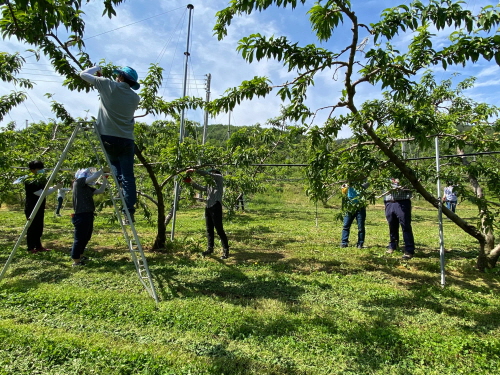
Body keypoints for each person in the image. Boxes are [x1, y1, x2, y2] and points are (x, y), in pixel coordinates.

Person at [80, 65, 140, 221]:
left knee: (116, 168)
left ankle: (125, 200)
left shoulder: (108, 85)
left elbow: (83, 74)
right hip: (127, 139)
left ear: (119, 77)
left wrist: (97, 68)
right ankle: (129, 210)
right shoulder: (135, 98)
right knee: (127, 176)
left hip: (108, 138)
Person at [184, 168, 230, 259]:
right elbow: (201, 188)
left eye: (211, 173)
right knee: (209, 229)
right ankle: (210, 249)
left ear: (215, 173)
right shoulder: (210, 184)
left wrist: (195, 170)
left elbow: (208, 175)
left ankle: (226, 250)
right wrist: (191, 182)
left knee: (219, 229)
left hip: (216, 206)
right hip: (208, 206)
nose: (209, 174)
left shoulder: (219, 177)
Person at [70, 167, 108, 267]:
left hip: (88, 214)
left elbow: (100, 191)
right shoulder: (78, 183)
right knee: (79, 238)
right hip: (81, 214)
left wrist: (105, 179)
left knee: (86, 236)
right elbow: (95, 176)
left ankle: (80, 255)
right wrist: (102, 171)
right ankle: (76, 260)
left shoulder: (86, 187)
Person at [21, 160, 61, 253]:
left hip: (40, 206)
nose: (41, 170)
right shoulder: (29, 180)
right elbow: (40, 193)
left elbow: (45, 189)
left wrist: (55, 186)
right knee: (32, 227)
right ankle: (31, 248)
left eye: (42, 168)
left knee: (39, 226)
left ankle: (38, 246)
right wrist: (55, 188)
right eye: (39, 169)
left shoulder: (40, 179)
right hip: (32, 206)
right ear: (32, 170)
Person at [383, 178, 415, 260]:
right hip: (389, 202)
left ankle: (409, 250)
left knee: (405, 226)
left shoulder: (404, 174)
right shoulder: (385, 175)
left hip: (402, 202)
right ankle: (393, 245)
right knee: (392, 225)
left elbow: (411, 187)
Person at [340, 182, 369, 249]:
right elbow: (343, 188)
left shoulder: (363, 178)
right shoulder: (349, 179)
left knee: (361, 227)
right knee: (346, 225)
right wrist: (344, 187)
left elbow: (367, 184)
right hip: (349, 206)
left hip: (360, 206)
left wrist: (356, 185)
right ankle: (344, 243)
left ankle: (360, 244)